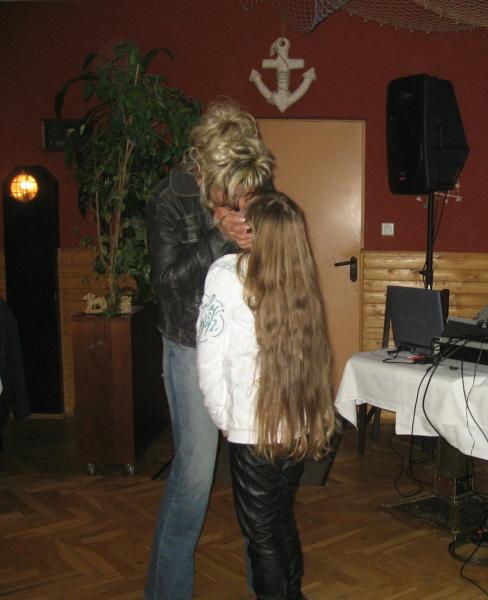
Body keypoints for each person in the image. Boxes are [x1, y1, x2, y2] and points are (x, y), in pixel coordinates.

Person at [144, 100, 274, 599]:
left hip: (249, 344)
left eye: (248, 191)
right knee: (194, 480)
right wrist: (218, 237)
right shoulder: (169, 198)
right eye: (232, 192)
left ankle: (266, 589)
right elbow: (167, 284)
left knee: (257, 480)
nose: (242, 200)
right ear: (205, 169)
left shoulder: (251, 184)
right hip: (189, 347)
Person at [197, 191, 336, 600]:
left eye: (247, 220)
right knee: (278, 520)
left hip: (253, 428)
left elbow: (208, 363)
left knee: (262, 533)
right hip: (296, 423)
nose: (238, 223)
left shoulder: (226, 272)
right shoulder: (299, 276)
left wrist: (225, 419)